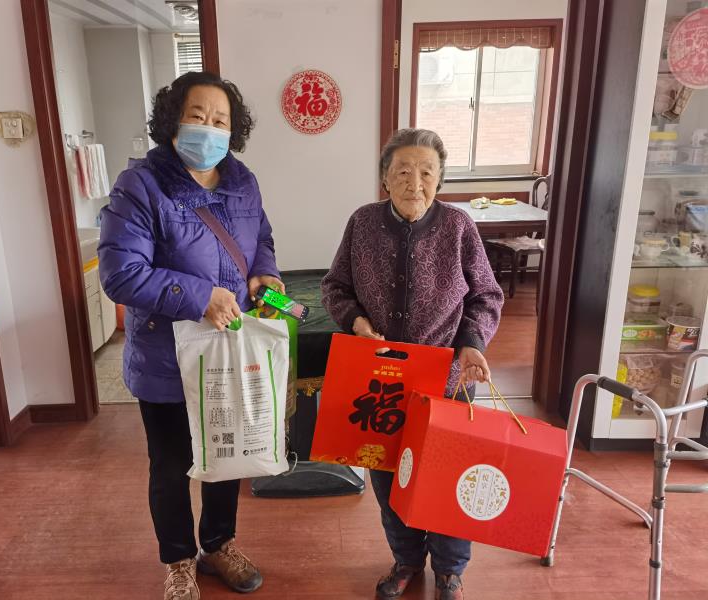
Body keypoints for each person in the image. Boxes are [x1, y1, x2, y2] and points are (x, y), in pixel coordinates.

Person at [98, 71, 283, 600]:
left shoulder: (243, 181)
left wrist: (264, 274)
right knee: (171, 465)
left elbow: (261, 239)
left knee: (227, 452)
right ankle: (178, 560)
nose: (209, 128)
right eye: (197, 116)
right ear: (172, 121)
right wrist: (201, 296)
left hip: (229, 351)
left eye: (220, 120)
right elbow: (121, 275)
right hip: (166, 358)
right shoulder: (140, 185)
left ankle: (218, 545)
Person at [321, 128, 504, 600]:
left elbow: (486, 295)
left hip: (448, 377)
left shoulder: (458, 226)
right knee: (389, 475)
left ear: (439, 180)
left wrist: (472, 343)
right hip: (382, 380)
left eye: (426, 172)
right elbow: (335, 286)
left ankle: (449, 569)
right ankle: (406, 559)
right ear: (385, 178)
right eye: (402, 171)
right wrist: (356, 321)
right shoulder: (362, 223)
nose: (414, 182)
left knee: (447, 476)